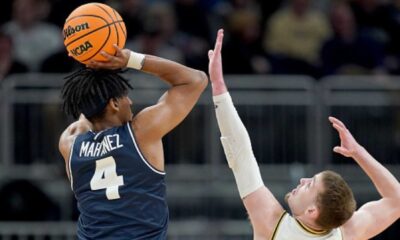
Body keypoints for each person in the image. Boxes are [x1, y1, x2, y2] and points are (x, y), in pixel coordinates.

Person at [208, 29, 400, 240]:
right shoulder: (347, 233)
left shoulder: (273, 226)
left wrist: (218, 86)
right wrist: (359, 153)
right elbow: (397, 200)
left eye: (310, 184)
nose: (302, 179)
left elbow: (241, 152)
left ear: (312, 211)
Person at [59, 45, 208, 239]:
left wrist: (88, 60)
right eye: (125, 96)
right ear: (114, 103)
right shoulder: (141, 133)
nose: (130, 102)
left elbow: (88, 106)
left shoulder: (69, 143)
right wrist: (130, 59)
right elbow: (195, 80)